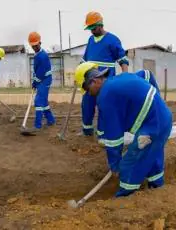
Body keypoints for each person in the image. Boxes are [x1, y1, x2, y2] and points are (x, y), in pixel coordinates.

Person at [74, 62, 172, 197]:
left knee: (129, 165)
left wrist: (115, 165)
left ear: (95, 81)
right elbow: (146, 74)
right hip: (163, 118)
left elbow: (114, 138)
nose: (88, 93)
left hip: (152, 127)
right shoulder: (118, 80)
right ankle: (156, 188)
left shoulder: (106, 96)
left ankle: (124, 198)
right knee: (151, 155)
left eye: (86, 88)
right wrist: (157, 101)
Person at [80, 11, 129, 137]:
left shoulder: (112, 40)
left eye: (93, 28)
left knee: (105, 106)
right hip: (90, 81)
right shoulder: (90, 40)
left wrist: (125, 77)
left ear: (100, 24)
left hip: (105, 81)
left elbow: (123, 60)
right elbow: (84, 61)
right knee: (87, 105)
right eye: (89, 28)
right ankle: (87, 131)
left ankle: (102, 134)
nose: (92, 31)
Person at [27, 32, 55, 131]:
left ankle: (37, 125)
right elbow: (37, 71)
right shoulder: (37, 55)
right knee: (43, 101)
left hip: (45, 80)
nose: (34, 47)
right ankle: (51, 120)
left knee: (38, 101)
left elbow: (41, 73)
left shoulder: (42, 56)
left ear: (40, 43)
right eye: (32, 46)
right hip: (41, 80)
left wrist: (35, 82)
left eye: (36, 45)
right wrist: (35, 81)